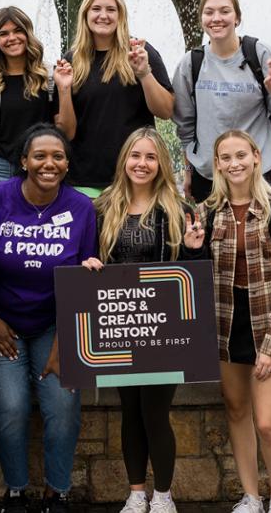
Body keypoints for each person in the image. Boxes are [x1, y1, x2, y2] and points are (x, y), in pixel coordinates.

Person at [79, 127, 201, 513]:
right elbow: (85, 257)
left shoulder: (178, 209)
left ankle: (163, 495)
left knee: (155, 411)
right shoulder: (102, 208)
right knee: (129, 411)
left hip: (164, 327)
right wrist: (89, 262)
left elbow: (191, 277)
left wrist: (195, 253)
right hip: (119, 323)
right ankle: (135, 493)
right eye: (136, 156)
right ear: (124, 161)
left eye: (150, 157)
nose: (142, 164)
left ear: (161, 163)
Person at [0, 124, 95, 513]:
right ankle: (15, 489)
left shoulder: (80, 208)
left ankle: (57, 490)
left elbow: (83, 276)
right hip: (0, 321)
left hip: (55, 322)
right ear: (23, 161)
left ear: (66, 163)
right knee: (10, 406)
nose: (49, 163)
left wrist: (65, 342)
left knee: (62, 404)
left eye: (58, 156)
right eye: (39, 156)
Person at [191, 130, 271, 513]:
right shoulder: (208, 213)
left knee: (268, 422)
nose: (234, 163)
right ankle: (251, 496)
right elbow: (195, 278)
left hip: (269, 322)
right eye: (226, 157)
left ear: (256, 157)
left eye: (241, 155)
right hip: (226, 322)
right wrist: (191, 250)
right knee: (236, 410)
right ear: (218, 164)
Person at [172, 0, 271, 202]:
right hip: (210, 177)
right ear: (201, 19)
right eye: (209, 12)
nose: (217, 18)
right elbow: (185, 126)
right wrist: (188, 171)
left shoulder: (259, 54)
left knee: (265, 236)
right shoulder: (191, 63)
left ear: (237, 18)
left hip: (258, 176)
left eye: (225, 11)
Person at [53, 0, 174, 194]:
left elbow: (165, 111)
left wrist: (144, 73)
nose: (103, 16)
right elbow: (66, 133)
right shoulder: (72, 60)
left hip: (134, 178)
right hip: (84, 180)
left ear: (121, 15)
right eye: (96, 9)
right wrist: (63, 90)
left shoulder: (140, 53)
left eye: (111, 9)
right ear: (86, 14)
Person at [0, 7, 69, 190]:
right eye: (4, 33)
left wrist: (64, 88)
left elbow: (65, 131)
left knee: (34, 219)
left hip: (38, 166)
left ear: (28, 34)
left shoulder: (48, 78)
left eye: (18, 31)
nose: (12, 38)